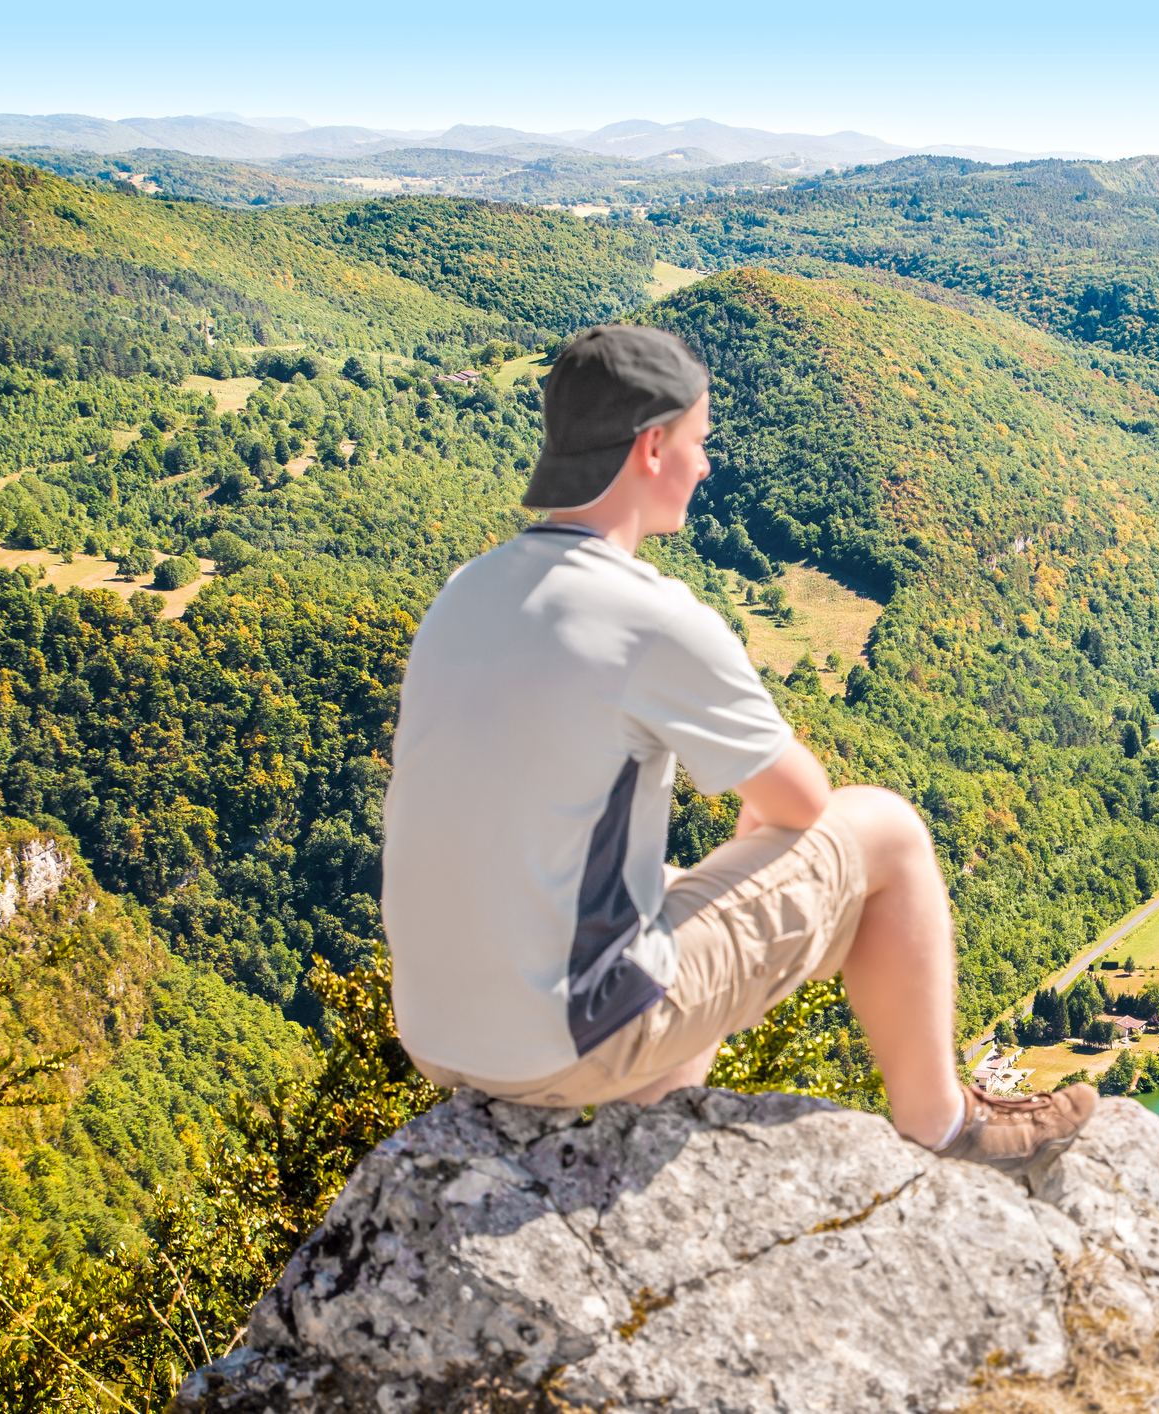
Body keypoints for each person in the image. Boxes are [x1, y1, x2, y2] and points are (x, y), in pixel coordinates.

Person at [382, 325, 1095, 1171]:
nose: (707, 464)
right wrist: (760, 861)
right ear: (651, 447)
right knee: (888, 833)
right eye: (699, 442)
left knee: (670, 889)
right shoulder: (649, 614)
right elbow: (801, 806)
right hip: (563, 1044)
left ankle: (655, 1133)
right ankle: (948, 1126)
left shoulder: (467, 591)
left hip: (435, 1034)